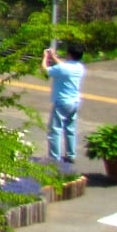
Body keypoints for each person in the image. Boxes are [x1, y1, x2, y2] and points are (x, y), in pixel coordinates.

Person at [44, 40, 86, 169]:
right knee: (70, 129)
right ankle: (70, 154)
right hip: (74, 102)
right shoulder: (79, 67)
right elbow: (63, 66)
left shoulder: (63, 68)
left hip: (62, 102)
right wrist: (55, 57)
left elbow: (46, 70)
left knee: (55, 131)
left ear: (69, 54)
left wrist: (46, 58)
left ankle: (54, 158)